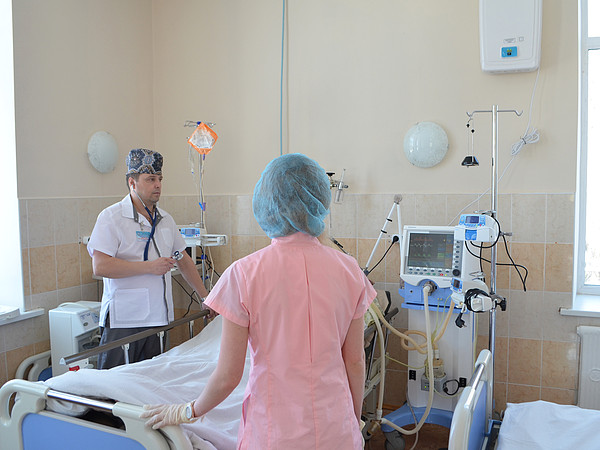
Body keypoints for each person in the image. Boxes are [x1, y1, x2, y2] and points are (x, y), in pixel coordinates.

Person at [142, 153, 377, 449]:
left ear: (267, 203)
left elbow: (228, 377)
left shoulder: (244, 274)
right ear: (319, 202)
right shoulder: (349, 270)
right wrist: (352, 419)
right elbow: (354, 361)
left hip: (275, 434)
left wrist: (188, 411)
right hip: (336, 430)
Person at [88, 148, 210, 369]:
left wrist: (205, 297)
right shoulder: (111, 217)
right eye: (150, 179)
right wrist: (148, 267)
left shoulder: (165, 220)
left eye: (160, 179)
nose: (158, 185)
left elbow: (183, 259)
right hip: (124, 321)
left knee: (151, 382)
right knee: (113, 384)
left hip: (157, 320)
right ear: (132, 183)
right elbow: (100, 265)